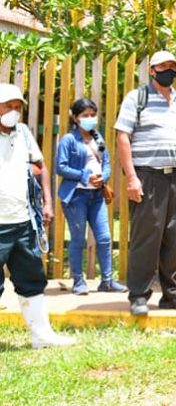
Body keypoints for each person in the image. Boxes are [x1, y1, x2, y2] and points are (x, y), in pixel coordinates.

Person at [114, 50, 176, 316]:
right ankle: (139, 295)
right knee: (145, 237)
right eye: (163, 67)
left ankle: (171, 294)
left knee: (171, 236)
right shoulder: (136, 98)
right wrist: (131, 178)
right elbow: (122, 137)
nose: (169, 71)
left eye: (173, 67)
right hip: (147, 176)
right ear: (152, 70)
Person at [0, 83, 74, 348]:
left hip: (23, 221)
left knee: (32, 277)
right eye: (8, 106)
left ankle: (41, 337)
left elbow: (40, 166)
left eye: (17, 107)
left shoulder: (22, 133)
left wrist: (46, 202)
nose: (14, 112)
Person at [56, 98, 127, 295]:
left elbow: (106, 163)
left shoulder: (99, 138)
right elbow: (60, 167)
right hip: (76, 196)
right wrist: (84, 175)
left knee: (104, 238)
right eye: (84, 115)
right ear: (75, 118)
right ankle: (78, 281)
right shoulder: (68, 140)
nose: (89, 119)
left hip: (96, 196)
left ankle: (107, 281)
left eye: (92, 115)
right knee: (78, 239)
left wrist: (103, 178)